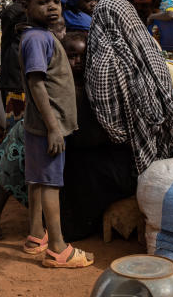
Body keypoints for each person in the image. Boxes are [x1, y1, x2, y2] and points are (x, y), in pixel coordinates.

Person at [18, 0, 93, 269]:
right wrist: (53, 128)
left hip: (42, 125)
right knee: (50, 184)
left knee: (37, 180)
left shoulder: (41, 35)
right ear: (26, 5)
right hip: (50, 126)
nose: (52, 7)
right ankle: (58, 248)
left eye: (55, 1)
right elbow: (36, 84)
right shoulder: (37, 39)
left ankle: (37, 235)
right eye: (42, 2)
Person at [85, 0, 173, 177]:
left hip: (127, 153)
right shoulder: (151, 49)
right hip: (163, 142)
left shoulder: (103, 61)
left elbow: (112, 125)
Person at [59, 31, 137, 241]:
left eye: (84, 57)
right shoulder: (59, 86)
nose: (78, 62)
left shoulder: (99, 85)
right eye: (72, 56)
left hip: (100, 153)